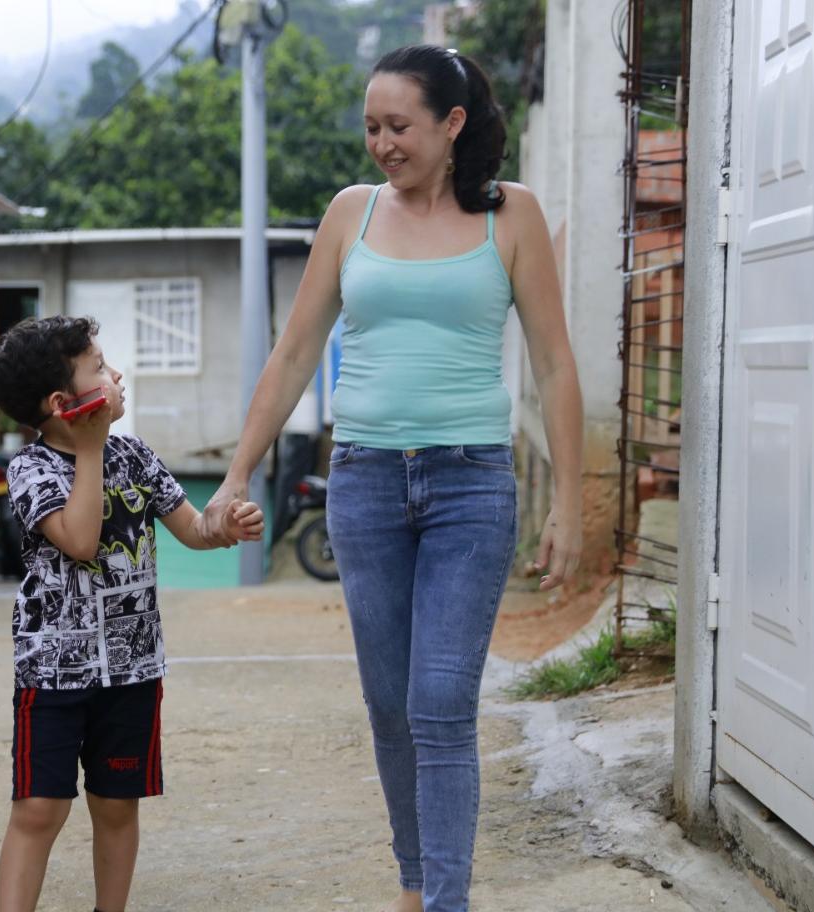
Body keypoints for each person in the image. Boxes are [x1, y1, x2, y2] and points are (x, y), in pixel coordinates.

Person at [201, 46, 584, 912]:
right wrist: (235, 474)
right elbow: (294, 351)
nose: (381, 144)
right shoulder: (351, 214)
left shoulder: (510, 215)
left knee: (440, 699)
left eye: (399, 126)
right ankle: (415, 883)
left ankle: (445, 900)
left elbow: (555, 366)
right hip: (366, 484)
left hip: (470, 485)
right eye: (371, 126)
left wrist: (567, 499)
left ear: (451, 125)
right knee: (389, 704)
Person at [0, 315, 264, 912]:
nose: (116, 375)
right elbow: (80, 539)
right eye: (100, 368)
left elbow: (190, 528)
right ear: (65, 402)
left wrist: (222, 526)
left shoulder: (134, 455)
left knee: (115, 804)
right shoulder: (31, 470)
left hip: (132, 669)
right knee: (39, 809)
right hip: (54, 672)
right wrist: (88, 450)